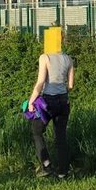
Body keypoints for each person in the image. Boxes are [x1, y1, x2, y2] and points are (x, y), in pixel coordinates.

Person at [28, 38, 74, 179]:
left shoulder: (45, 57)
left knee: (37, 131)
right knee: (61, 137)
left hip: (49, 101)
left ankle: (46, 165)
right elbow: (71, 85)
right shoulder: (68, 59)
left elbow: (41, 82)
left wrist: (31, 101)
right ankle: (63, 172)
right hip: (64, 101)